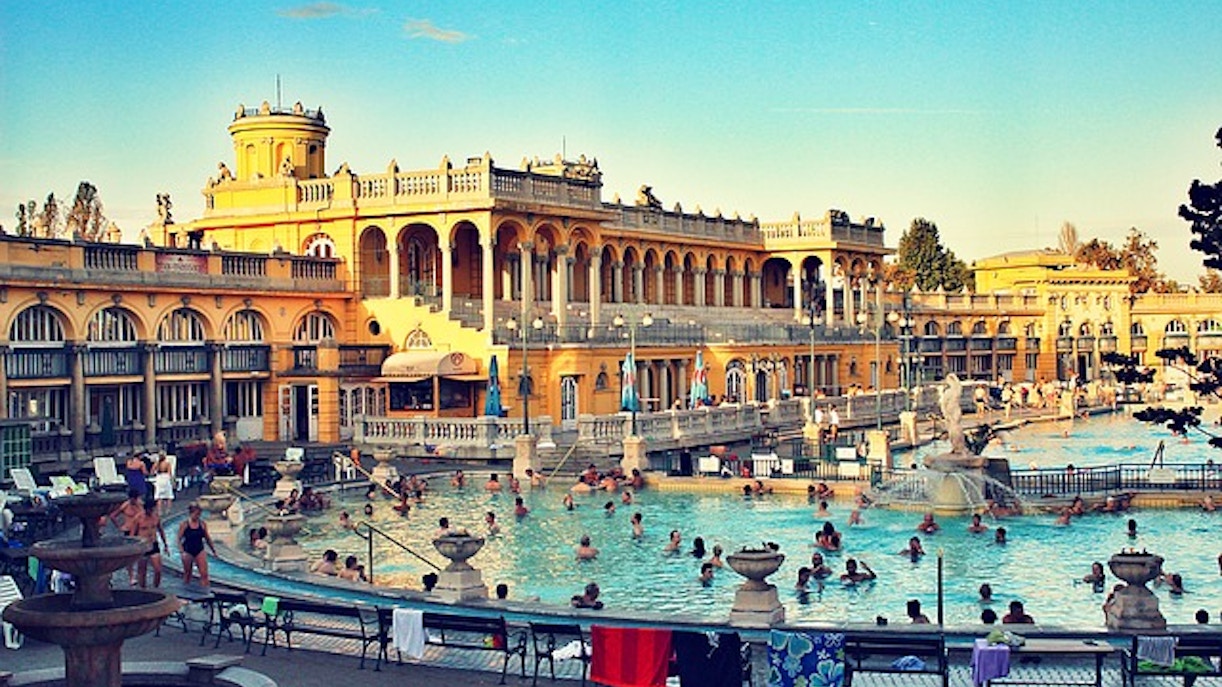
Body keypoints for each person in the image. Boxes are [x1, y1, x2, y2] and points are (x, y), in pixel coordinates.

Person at [178, 503, 217, 587]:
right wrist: (181, 551)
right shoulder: (184, 525)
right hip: (188, 550)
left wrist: (213, 550)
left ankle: (206, 590)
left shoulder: (202, 524)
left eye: (199, 514)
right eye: (196, 514)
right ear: (191, 513)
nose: (198, 516)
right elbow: (178, 539)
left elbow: (207, 538)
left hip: (199, 549)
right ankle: (185, 590)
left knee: (204, 574)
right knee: (188, 574)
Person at [135, 498, 168, 588]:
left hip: (153, 544)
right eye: (151, 509)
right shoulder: (139, 518)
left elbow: (161, 530)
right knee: (142, 571)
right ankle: (143, 589)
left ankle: (155, 588)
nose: (152, 511)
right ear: (146, 509)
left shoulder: (156, 517)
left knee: (158, 569)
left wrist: (165, 544)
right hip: (143, 546)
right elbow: (133, 534)